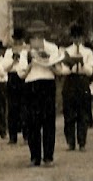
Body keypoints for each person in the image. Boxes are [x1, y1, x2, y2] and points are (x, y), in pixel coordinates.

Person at [16, 21, 63, 166]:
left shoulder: (52, 48)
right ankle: (35, 157)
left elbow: (59, 70)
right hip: (31, 85)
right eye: (34, 35)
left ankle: (48, 157)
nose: (37, 37)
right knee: (32, 122)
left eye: (40, 34)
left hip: (47, 83)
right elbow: (21, 74)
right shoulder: (25, 51)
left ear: (44, 34)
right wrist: (31, 62)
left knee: (48, 121)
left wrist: (48, 61)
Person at [56, 24, 93, 151]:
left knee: (83, 113)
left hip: (83, 80)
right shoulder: (66, 51)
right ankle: (70, 142)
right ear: (72, 38)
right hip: (70, 80)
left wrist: (82, 64)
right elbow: (63, 70)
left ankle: (82, 142)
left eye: (79, 37)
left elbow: (90, 71)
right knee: (69, 112)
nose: (77, 40)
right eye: (75, 37)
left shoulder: (88, 52)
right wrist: (70, 65)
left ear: (82, 38)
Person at [0, 29, 27, 144]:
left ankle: (26, 135)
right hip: (12, 78)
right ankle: (13, 136)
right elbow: (5, 67)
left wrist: (20, 59)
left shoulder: (26, 50)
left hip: (23, 77)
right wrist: (13, 60)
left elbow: (26, 65)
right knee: (12, 108)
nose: (17, 42)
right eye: (15, 40)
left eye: (19, 40)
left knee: (24, 107)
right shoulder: (8, 52)